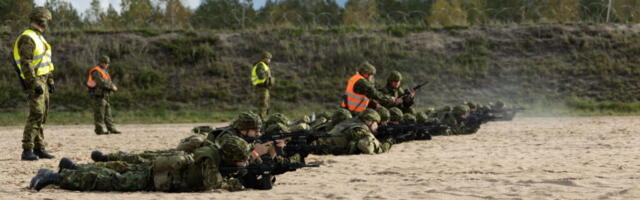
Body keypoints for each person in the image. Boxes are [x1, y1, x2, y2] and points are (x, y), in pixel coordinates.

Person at [29, 137, 252, 192]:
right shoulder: (210, 162)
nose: (243, 162)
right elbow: (212, 184)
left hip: (162, 172)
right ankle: (54, 176)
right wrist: (237, 183)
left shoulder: (213, 154)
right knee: (112, 181)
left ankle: (73, 168)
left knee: (117, 173)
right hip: (158, 177)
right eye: (241, 159)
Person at [13, 7, 56, 161]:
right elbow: (26, 63)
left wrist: (50, 80)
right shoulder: (28, 37)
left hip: (43, 79)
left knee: (42, 115)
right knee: (36, 114)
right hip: (35, 80)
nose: (47, 24)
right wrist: (33, 82)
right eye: (46, 21)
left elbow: (46, 61)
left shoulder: (39, 37)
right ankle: (27, 149)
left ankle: (39, 148)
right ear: (40, 20)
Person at [313, 109, 391, 155]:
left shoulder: (351, 122)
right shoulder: (359, 128)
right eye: (376, 122)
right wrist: (388, 143)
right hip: (321, 150)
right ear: (369, 121)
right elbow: (367, 148)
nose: (377, 125)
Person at [87, 55, 121, 135]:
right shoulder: (96, 71)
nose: (107, 65)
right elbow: (101, 82)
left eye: (107, 63)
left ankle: (112, 129)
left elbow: (108, 81)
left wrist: (112, 86)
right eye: (105, 63)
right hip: (98, 95)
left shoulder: (104, 71)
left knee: (108, 114)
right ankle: (99, 131)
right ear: (101, 63)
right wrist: (112, 87)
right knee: (99, 114)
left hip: (105, 95)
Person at [251, 52, 274, 120]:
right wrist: (269, 78)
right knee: (263, 105)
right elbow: (261, 76)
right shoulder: (260, 65)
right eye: (268, 58)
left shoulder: (264, 65)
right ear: (265, 58)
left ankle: (264, 119)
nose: (269, 60)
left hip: (264, 88)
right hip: (261, 87)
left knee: (266, 105)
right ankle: (262, 120)